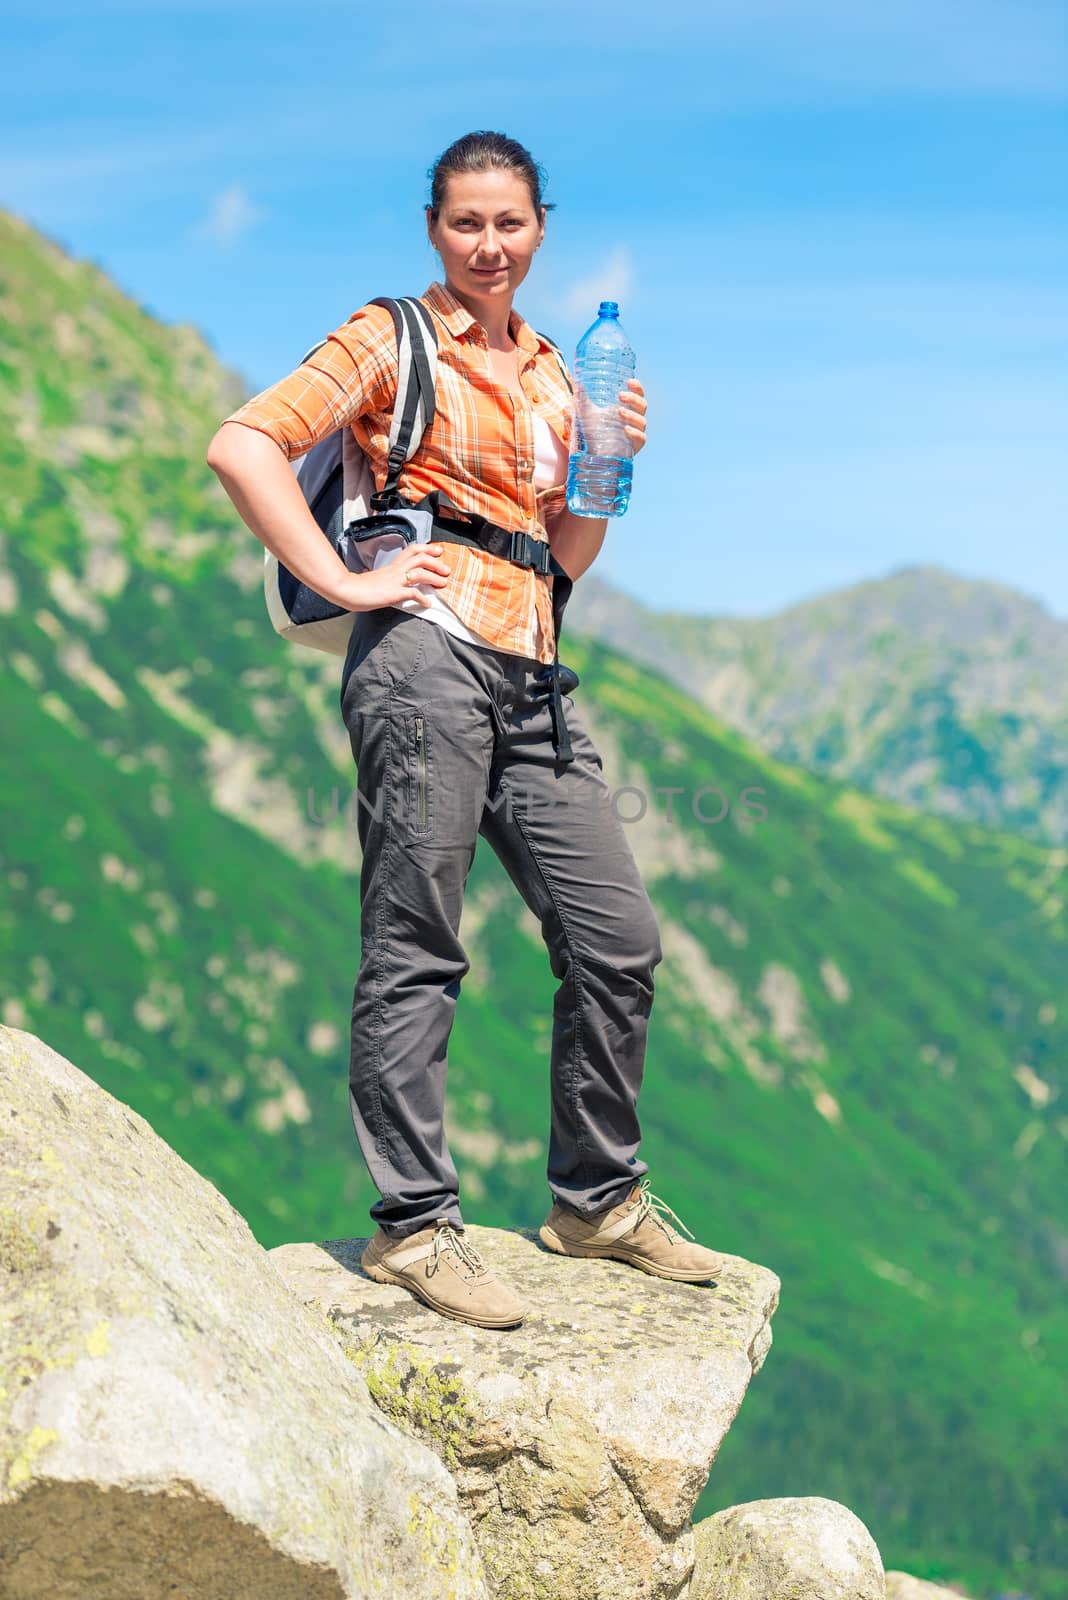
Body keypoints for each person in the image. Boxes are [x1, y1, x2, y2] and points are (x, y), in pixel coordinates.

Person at [206, 130, 725, 1331]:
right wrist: (343, 582)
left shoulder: (558, 368)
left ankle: (594, 1199)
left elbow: (569, 553)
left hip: (534, 667)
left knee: (617, 939)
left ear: (541, 227)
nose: (489, 245)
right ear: (435, 228)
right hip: (425, 661)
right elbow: (245, 443)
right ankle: (414, 1228)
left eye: (509, 223)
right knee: (417, 939)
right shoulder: (390, 335)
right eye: (465, 224)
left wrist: (610, 464)